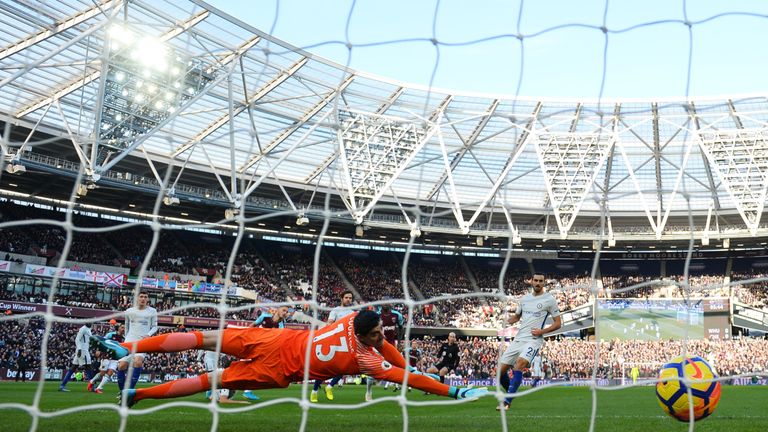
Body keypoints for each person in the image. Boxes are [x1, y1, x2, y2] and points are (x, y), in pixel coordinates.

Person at [92, 310, 487, 407]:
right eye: (377, 335)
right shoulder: (364, 359)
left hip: (276, 339)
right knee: (214, 382)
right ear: (367, 334)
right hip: (279, 368)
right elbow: (408, 379)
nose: (380, 339)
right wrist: (449, 391)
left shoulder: (351, 319)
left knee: (203, 336)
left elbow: (383, 345)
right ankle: (139, 396)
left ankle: (129, 348)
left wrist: (401, 362)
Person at [496, 273, 561, 411]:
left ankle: (507, 402)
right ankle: (512, 391)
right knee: (499, 373)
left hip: (534, 339)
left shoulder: (549, 300)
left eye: (540, 281)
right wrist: (506, 320)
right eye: (535, 280)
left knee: (519, 365)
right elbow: (517, 317)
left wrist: (542, 332)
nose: (537, 283)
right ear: (531, 282)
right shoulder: (525, 299)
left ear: (544, 283)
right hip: (519, 338)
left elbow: (558, 323)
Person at [311, 290, 356, 403]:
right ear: (341, 298)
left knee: (343, 368)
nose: (348, 300)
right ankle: (314, 391)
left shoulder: (352, 313)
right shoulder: (335, 310)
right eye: (346, 297)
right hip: (334, 342)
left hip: (345, 344)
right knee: (323, 367)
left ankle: (329, 387)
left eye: (350, 298)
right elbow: (329, 324)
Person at [118, 292, 158, 391]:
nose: (143, 298)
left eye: (145, 297)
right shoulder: (129, 311)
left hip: (142, 342)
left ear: (148, 299)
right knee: (121, 365)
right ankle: (122, 391)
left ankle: (130, 391)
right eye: (141, 296)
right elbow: (126, 326)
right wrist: (126, 338)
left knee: (138, 362)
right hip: (129, 340)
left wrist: (148, 335)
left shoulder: (152, 311)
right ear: (137, 298)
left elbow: (155, 327)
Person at [365, 304, 404, 400]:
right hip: (377, 344)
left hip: (391, 345)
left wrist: (399, 342)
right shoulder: (376, 315)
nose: (386, 304)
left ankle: (386, 381)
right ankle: (369, 392)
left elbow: (401, 328)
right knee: (373, 367)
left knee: (394, 366)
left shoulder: (397, 315)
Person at [88, 324, 125, 394]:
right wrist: (98, 350)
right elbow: (102, 341)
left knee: (110, 372)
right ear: (118, 328)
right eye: (122, 328)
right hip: (106, 356)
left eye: (124, 328)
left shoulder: (123, 338)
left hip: (115, 358)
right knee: (102, 373)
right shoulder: (110, 335)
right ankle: (91, 382)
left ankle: (98, 388)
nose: (123, 329)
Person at [58, 323, 93, 391]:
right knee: (88, 367)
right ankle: (92, 386)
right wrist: (79, 349)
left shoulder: (88, 329)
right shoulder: (83, 329)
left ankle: (62, 386)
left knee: (73, 368)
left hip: (83, 350)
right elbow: (77, 339)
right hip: (83, 350)